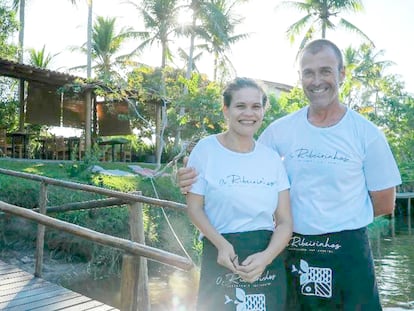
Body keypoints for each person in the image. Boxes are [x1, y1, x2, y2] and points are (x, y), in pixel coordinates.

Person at [179, 39, 402, 310]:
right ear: (300, 78)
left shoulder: (367, 133)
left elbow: (384, 203)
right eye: (308, 72)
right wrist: (187, 180)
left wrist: (331, 221)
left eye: (325, 71)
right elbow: (240, 165)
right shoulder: (279, 131)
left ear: (341, 74)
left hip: (347, 251)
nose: (316, 80)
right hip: (293, 250)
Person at [186, 77, 293, 310]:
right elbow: (194, 208)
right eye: (240, 106)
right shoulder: (206, 150)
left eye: (256, 106)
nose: (249, 113)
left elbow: (284, 222)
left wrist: (266, 258)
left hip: (266, 261)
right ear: (226, 109)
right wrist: (222, 245)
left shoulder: (272, 159)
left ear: (263, 110)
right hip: (221, 256)